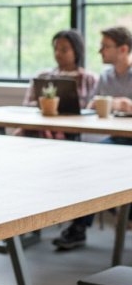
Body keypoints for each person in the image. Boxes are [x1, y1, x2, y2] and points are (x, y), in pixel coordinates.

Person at [54, 25, 132, 251]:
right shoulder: (106, 76)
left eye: (106, 47)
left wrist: (126, 104)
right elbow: (92, 104)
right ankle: (80, 227)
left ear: (123, 49)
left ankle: (122, 210)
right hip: (116, 139)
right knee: (88, 164)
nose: (100, 51)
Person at [22, 29, 97, 109]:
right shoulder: (42, 76)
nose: (58, 54)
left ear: (76, 51)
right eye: (55, 49)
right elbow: (27, 104)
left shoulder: (90, 79)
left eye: (64, 50)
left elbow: (94, 107)